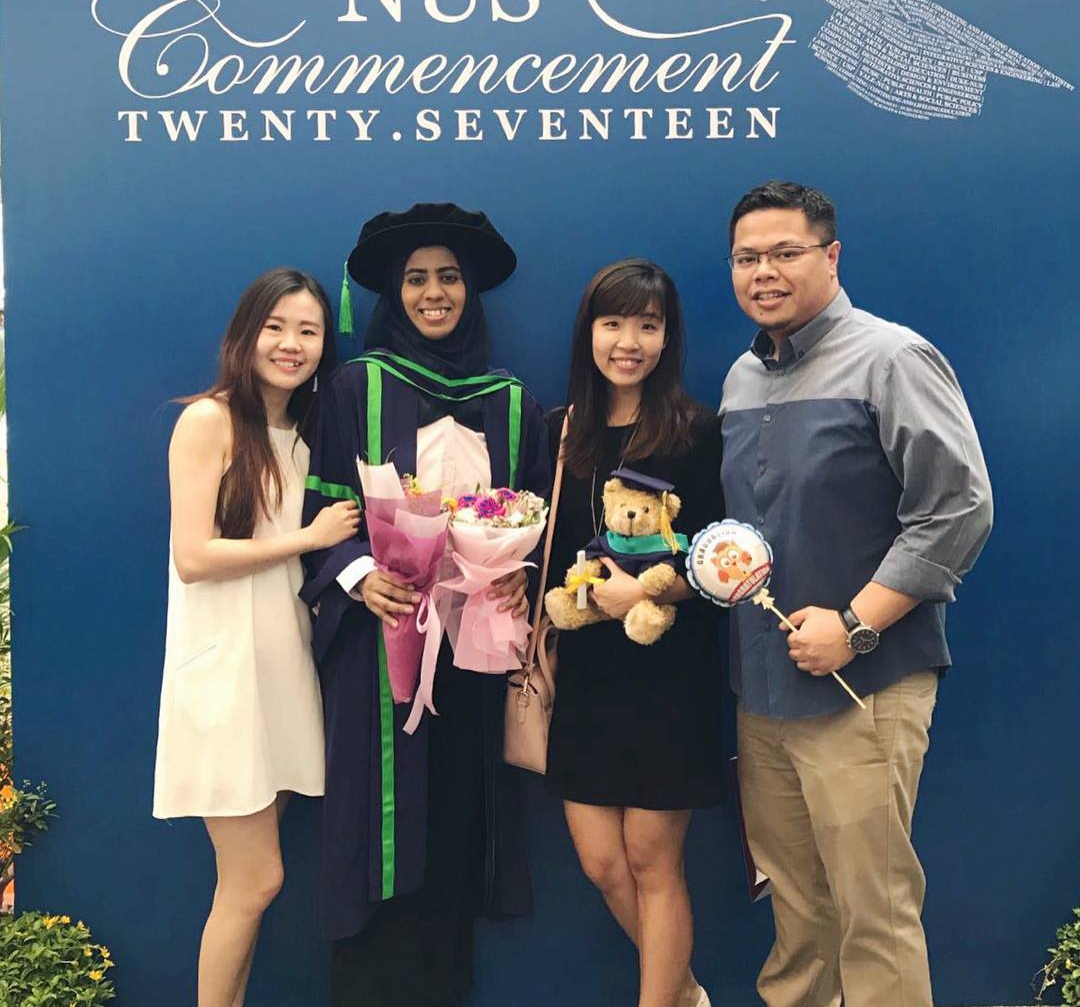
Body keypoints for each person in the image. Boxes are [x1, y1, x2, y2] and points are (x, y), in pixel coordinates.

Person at [719, 181, 993, 1007]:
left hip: (861, 688)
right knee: (798, 916)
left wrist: (855, 625)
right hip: (763, 694)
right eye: (747, 257)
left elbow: (958, 509)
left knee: (873, 916)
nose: (764, 272)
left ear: (831, 256)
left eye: (785, 253)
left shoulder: (891, 358)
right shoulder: (740, 378)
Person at [300, 202, 552, 1007]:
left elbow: (536, 518)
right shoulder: (356, 386)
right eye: (415, 279)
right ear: (393, 293)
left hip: (474, 652)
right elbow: (323, 511)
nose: (433, 293)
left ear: (470, 291)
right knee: (377, 821)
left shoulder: (512, 402)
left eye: (448, 277)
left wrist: (521, 572)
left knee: (453, 819)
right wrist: (357, 575)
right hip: (380, 647)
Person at [153, 268, 360, 1007]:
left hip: (283, 671)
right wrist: (306, 537)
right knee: (256, 879)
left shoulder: (305, 436)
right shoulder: (208, 422)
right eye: (276, 326)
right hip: (226, 677)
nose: (291, 344)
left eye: (308, 330)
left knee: (251, 883)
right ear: (246, 333)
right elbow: (193, 556)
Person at [545, 259, 725, 1007]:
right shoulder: (562, 433)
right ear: (588, 332)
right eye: (613, 323)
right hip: (586, 678)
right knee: (601, 863)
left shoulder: (697, 432)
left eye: (648, 326)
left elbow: (721, 564)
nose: (629, 342)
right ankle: (686, 995)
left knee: (654, 861)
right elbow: (547, 550)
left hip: (669, 675)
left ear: (667, 338)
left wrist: (651, 592)